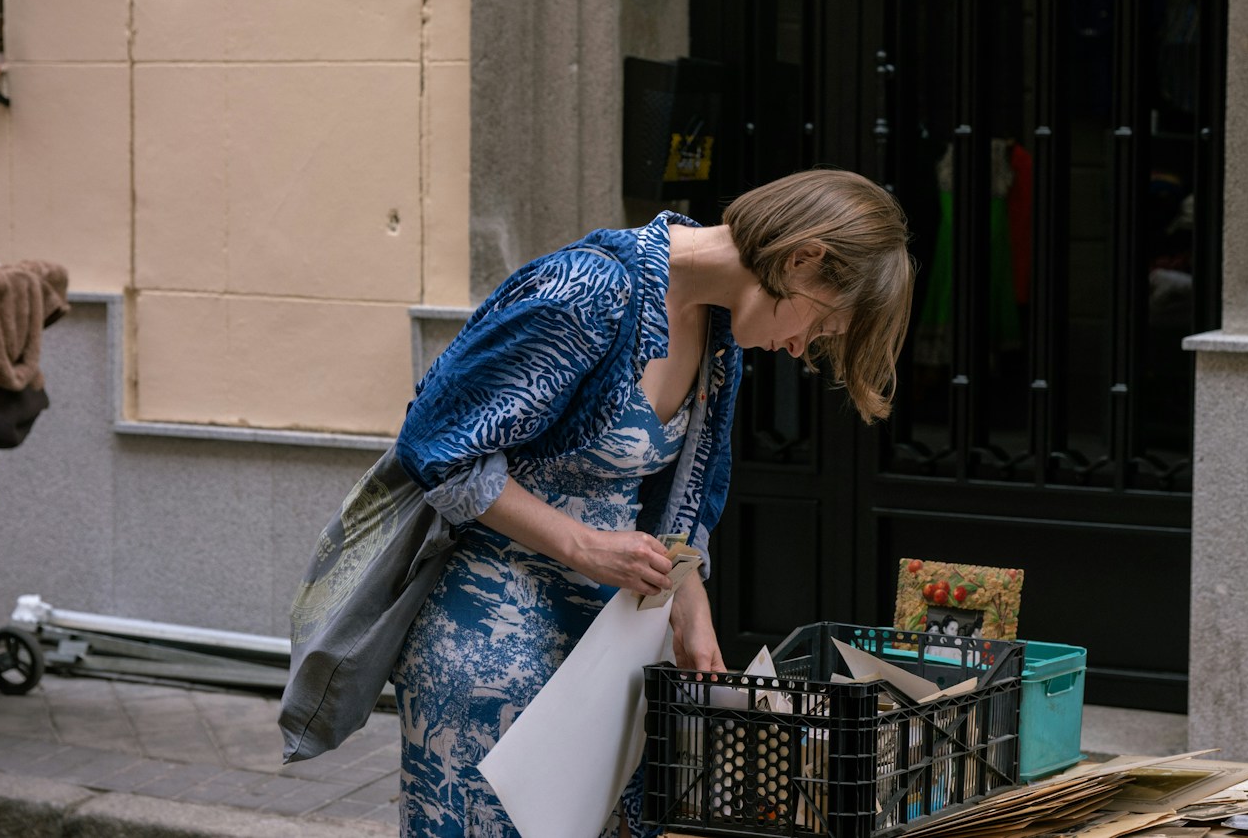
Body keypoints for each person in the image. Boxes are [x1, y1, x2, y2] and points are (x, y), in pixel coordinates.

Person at [387, 169, 915, 837]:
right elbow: (435, 443)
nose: (799, 347)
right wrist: (582, 543)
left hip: (608, 659)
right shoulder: (590, 289)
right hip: (492, 655)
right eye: (820, 324)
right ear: (801, 258)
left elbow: (677, 502)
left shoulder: (719, 340)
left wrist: (694, 613)